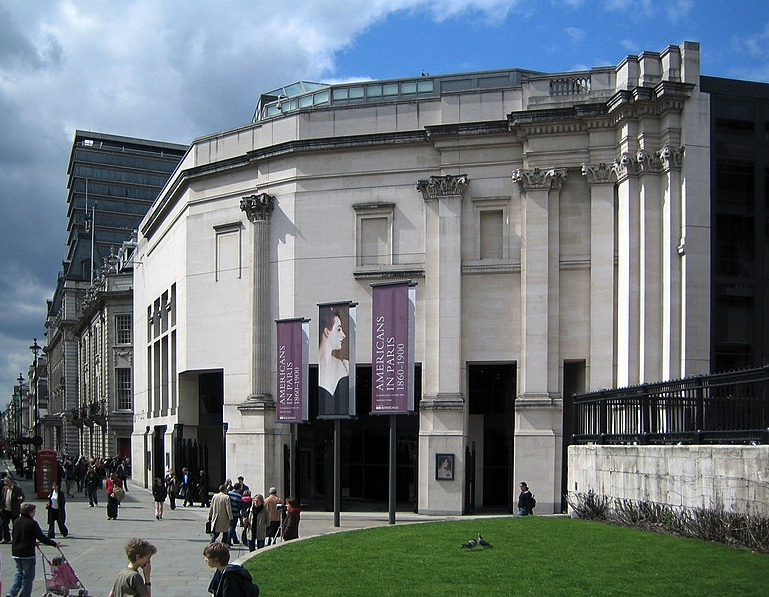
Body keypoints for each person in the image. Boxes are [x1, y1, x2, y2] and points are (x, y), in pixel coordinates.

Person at [10, 502, 59, 597]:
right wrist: (54, 543)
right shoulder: (32, 523)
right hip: (27, 554)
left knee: (19, 573)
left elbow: (18, 536)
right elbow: (41, 537)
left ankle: (11, 593)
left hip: (16, 552)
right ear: (30, 512)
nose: (35, 513)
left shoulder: (16, 521)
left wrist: (33, 542)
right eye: (34, 511)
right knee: (28, 578)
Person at [317, 306, 350, 416]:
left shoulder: (346, 365)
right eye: (339, 329)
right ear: (327, 332)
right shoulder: (313, 369)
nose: (343, 335)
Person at [0, 476, 25, 543]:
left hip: (14, 510)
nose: (5, 483)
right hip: (5, 510)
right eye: (5, 481)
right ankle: (6, 539)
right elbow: (2, 498)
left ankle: (15, 539)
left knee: (15, 525)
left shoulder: (17, 489)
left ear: (11, 481)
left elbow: (22, 497)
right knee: (4, 524)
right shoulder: (4, 488)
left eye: (7, 481)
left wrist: (20, 499)